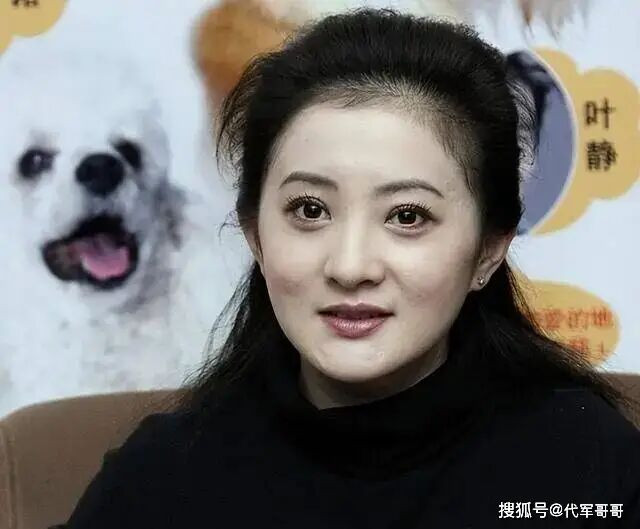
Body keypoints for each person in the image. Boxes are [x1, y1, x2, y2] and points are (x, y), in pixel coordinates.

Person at [59, 8, 640, 528]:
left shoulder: (587, 468)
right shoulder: (160, 482)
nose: (350, 265)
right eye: (310, 210)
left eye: (407, 216)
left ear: (489, 248)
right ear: (255, 234)